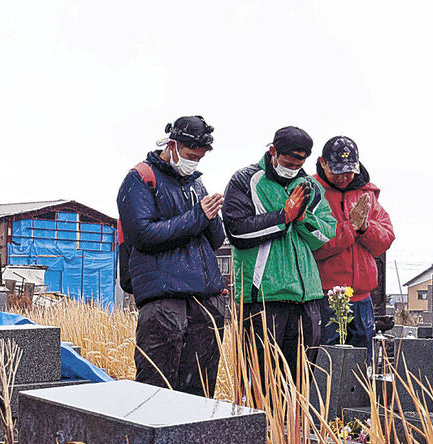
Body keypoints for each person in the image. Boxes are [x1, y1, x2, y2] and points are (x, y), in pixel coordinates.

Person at [117, 115, 226, 396]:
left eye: (199, 158)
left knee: (199, 394)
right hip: (164, 300)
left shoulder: (195, 184)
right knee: (156, 392)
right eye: (191, 155)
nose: (194, 162)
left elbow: (215, 240)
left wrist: (211, 216)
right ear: (173, 145)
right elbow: (143, 235)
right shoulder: (139, 179)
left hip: (205, 300)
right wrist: (197, 216)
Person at [222, 126, 337, 381]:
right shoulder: (245, 180)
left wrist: (301, 217)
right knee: (260, 382)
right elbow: (237, 232)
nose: (293, 168)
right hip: (262, 298)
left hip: (307, 299)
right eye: (287, 162)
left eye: (300, 163)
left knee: (301, 381)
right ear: (273, 151)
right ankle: (260, 422)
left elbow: (327, 233)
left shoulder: (309, 186)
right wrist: (282, 217)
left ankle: (295, 423)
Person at [313, 136, 395, 352]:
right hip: (325, 298)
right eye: (338, 170)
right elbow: (316, 246)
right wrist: (351, 227)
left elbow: (385, 240)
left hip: (362, 299)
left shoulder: (367, 193)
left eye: (350, 170)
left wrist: (364, 228)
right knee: (326, 364)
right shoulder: (312, 192)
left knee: (361, 367)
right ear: (322, 162)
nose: (344, 177)